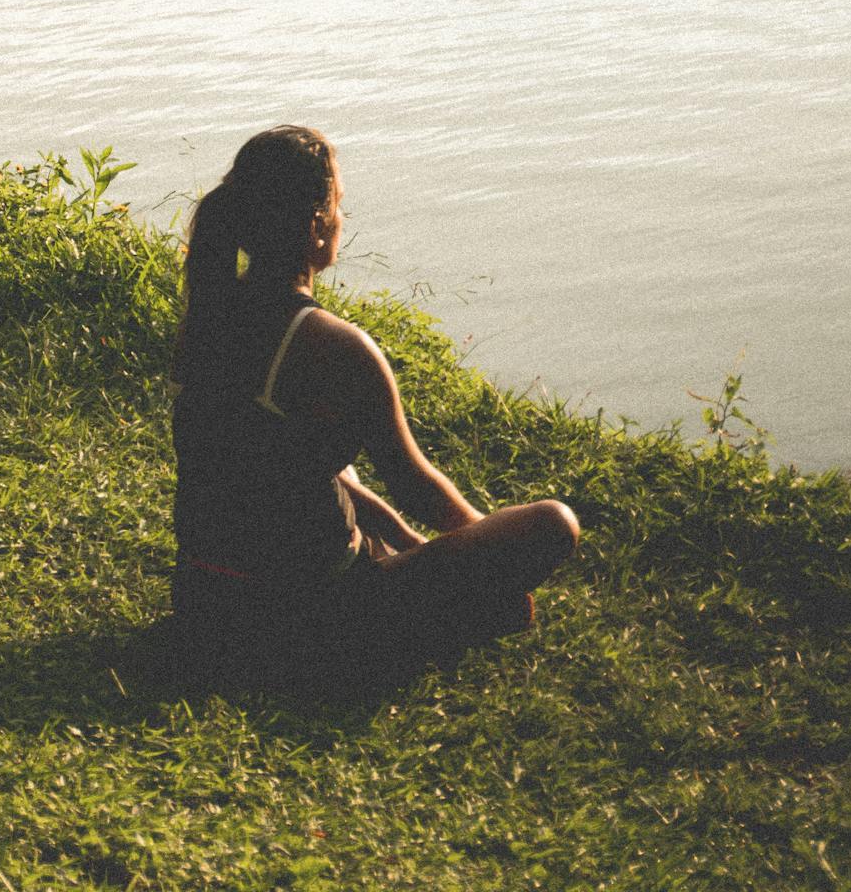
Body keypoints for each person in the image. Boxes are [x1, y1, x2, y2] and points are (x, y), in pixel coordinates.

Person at [171, 125, 579, 693]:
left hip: (205, 605)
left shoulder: (210, 317)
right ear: (316, 225)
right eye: (339, 205)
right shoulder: (335, 348)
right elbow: (417, 487)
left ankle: (432, 594)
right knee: (552, 525)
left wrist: (418, 550)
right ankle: (438, 616)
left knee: (328, 457)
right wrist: (483, 552)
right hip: (303, 623)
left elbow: (299, 471)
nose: (342, 218)